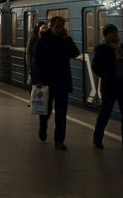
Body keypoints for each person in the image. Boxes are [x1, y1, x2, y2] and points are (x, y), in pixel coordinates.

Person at [32, 16, 81, 150]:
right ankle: (43, 126)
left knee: (61, 113)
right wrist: (38, 82)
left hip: (62, 81)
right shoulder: (42, 41)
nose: (60, 29)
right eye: (57, 26)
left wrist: (67, 39)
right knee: (45, 110)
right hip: (46, 81)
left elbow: (75, 53)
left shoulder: (65, 40)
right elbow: (37, 62)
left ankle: (59, 140)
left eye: (61, 26)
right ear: (51, 26)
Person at [92, 24, 123, 152]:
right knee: (105, 112)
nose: (115, 35)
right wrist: (108, 75)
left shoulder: (122, 47)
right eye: (112, 33)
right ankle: (97, 138)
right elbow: (96, 67)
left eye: (115, 32)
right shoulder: (102, 49)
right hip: (110, 85)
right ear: (106, 35)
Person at [26, 21, 47, 102]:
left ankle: (41, 100)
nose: (44, 30)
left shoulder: (47, 39)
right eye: (43, 28)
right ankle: (34, 100)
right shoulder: (33, 39)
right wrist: (30, 67)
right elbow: (28, 53)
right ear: (38, 29)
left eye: (46, 28)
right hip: (34, 67)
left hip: (44, 67)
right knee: (34, 84)